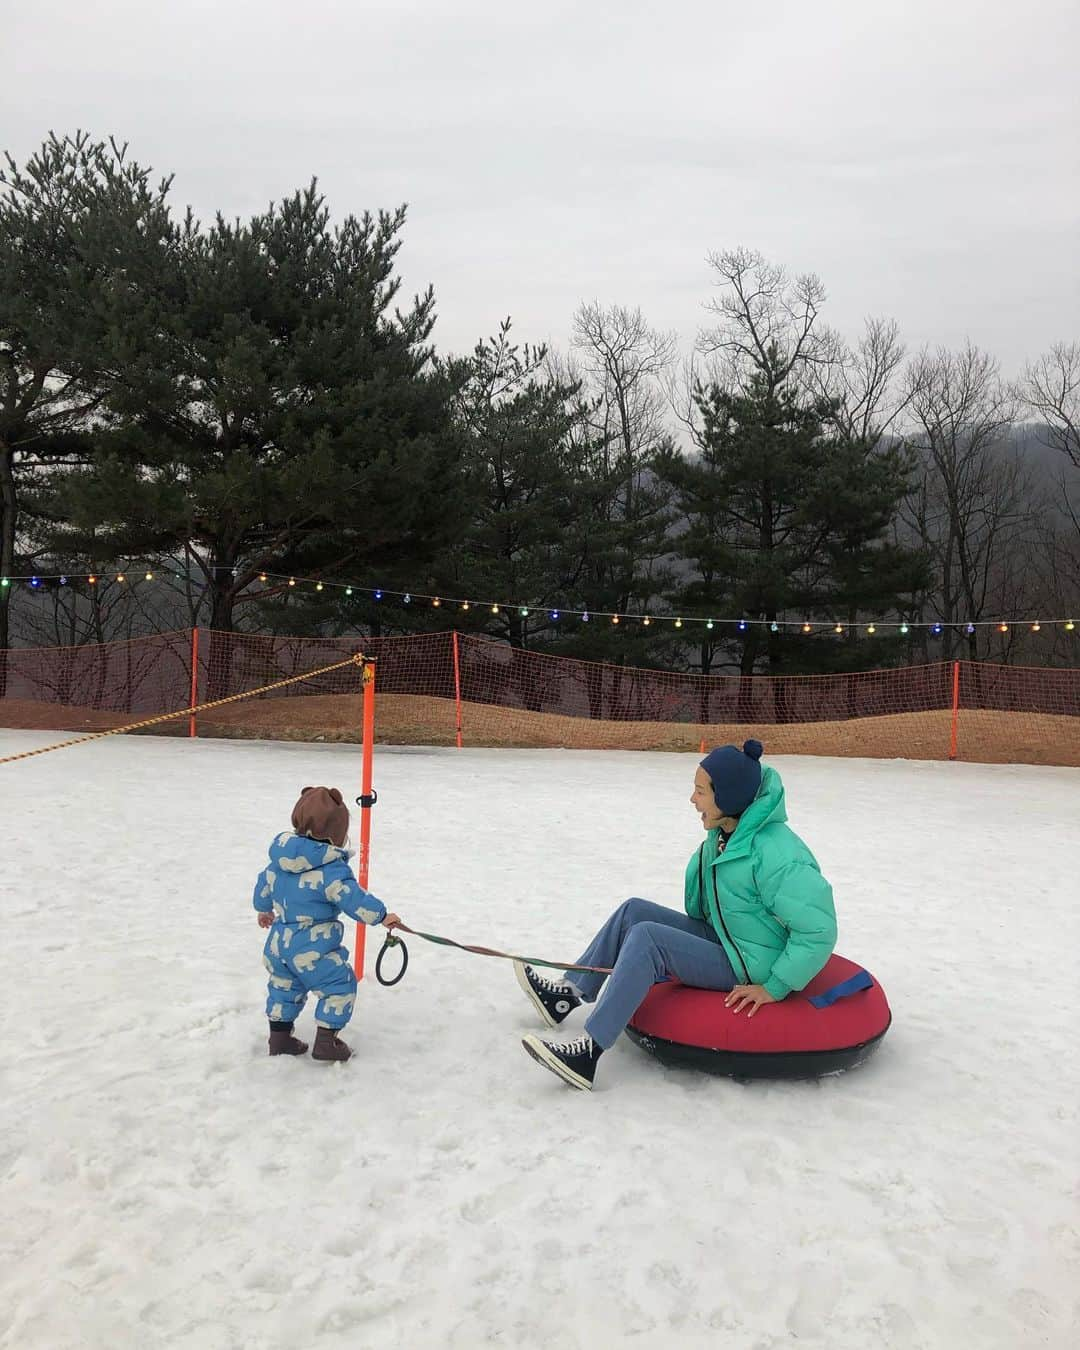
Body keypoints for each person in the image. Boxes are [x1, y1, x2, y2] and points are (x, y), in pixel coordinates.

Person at [517, 740, 837, 1090]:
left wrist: (774, 986)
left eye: (700, 791)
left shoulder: (777, 854)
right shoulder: (727, 834)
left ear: (728, 798)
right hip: (728, 938)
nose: (692, 799)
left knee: (649, 940)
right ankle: (566, 996)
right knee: (633, 912)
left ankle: (587, 1055)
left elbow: (819, 929)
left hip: (752, 962)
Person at [253, 785, 400, 1062]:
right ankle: (326, 1042)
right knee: (340, 985)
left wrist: (264, 910)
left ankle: (279, 1039)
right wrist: (382, 916)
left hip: (278, 946)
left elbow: (263, 886)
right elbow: (353, 899)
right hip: (313, 947)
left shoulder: (279, 862)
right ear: (336, 833)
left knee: (284, 988)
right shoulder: (330, 869)